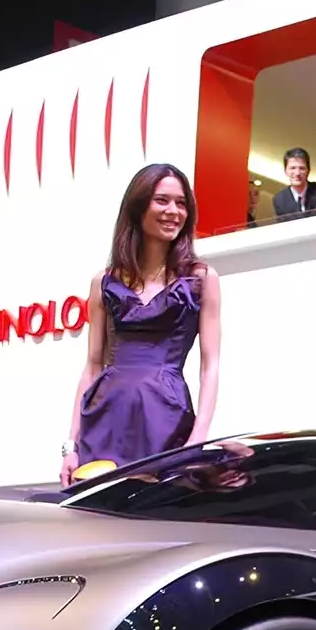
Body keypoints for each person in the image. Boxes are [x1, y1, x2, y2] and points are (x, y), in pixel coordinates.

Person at [62, 164, 221, 486]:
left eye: (181, 203)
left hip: (165, 415)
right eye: (162, 200)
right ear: (138, 205)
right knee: (94, 511)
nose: (173, 211)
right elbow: (92, 365)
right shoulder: (103, 282)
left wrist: (198, 439)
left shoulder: (201, 279)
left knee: (159, 509)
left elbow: (211, 366)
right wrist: (70, 445)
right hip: (105, 417)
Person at [271, 148, 316, 220]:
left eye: (302, 168)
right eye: (293, 168)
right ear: (286, 171)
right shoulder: (279, 200)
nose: (297, 173)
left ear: (308, 171)